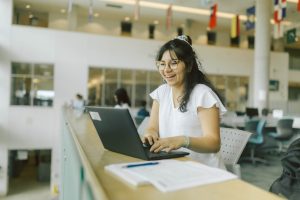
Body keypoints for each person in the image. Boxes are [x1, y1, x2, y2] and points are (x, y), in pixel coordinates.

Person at [142, 35, 227, 168]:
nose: (166, 69)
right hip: (173, 166)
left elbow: (213, 143)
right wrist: (151, 134)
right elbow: (152, 127)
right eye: (162, 64)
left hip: (203, 171)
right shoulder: (161, 92)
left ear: (189, 66)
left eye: (174, 63)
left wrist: (183, 140)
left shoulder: (202, 94)